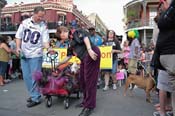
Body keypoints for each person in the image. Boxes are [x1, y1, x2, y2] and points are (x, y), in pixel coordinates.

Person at [56, 26, 101, 116]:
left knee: (90, 81)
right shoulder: (70, 43)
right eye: (61, 38)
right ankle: (85, 101)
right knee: (82, 80)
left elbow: (85, 37)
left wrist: (89, 50)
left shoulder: (76, 32)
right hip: (84, 58)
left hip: (91, 53)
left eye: (62, 35)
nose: (62, 38)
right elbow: (68, 57)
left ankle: (89, 106)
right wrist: (58, 64)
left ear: (65, 31)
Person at [15, 6, 50, 108]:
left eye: (42, 17)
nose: (41, 18)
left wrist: (48, 49)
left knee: (35, 77)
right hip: (24, 54)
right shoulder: (24, 22)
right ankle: (34, 94)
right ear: (33, 13)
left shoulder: (43, 26)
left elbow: (45, 41)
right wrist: (17, 47)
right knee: (26, 77)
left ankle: (35, 97)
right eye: (39, 16)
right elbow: (18, 36)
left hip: (36, 54)